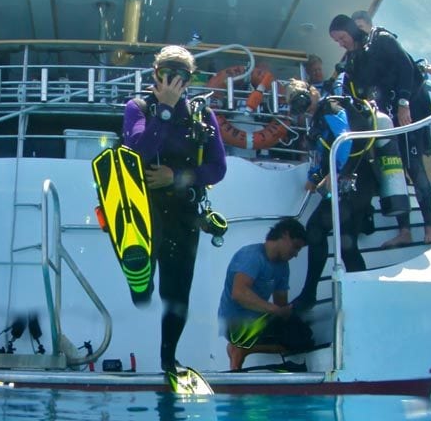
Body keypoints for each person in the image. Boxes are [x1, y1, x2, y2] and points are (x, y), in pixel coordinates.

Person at [122, 45, 227, 379]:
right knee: (142, 284)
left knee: (177, 294)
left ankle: (169, 360)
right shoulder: (138, 107)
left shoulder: (201, 115)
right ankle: (142, 286)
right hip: (144, 210)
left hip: (183, 213)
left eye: (181, 74)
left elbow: (217, 168)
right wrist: (164, 110)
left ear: (190, 78)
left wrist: (177, 177)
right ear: (156, 74)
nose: (172, 80)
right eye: (167, 72)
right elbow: (138, 150)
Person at [331, 14, 431, 246]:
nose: (340, 43)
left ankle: (430, 226)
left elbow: (406, 68)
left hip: (405, 113)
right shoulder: (354, 59)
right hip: (384, 120)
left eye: (341, 38)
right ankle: (404, 231)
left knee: (413, 165)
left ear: (351, 30)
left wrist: (403, 103)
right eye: (336, 41)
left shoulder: (382, 39)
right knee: (392, 170)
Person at [290, 79, 378, 311]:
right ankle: (364, 299)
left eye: (302, 100)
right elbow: (320, 154)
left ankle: (309, 295)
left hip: (353, 180)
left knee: (315, 229)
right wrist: (314, 175)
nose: (304, 107)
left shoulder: (330, 108)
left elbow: (345, 140)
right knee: (347, 246)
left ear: (312, 92)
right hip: (354, 183)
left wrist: (337, 172)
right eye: (298, 106)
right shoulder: (318, 120)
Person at [218, 218, 311, 371]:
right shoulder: (251, 256)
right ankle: (238, 348)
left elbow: (280, 305)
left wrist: (291, 311)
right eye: (295, 248)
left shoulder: (283, 267)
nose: (295, 254)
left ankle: (245, 349)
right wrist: (274, 310)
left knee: (303, 338)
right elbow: (239, 293)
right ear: (285, 236)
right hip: (236, 322)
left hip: (259, 320)